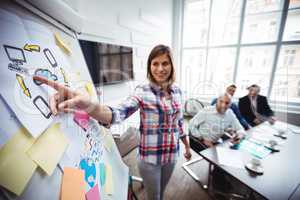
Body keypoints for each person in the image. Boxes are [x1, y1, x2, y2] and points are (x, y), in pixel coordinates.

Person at [33, 44, 191, 200]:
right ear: (150, 66)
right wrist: (88, 104)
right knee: (154, 197)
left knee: (162, 193)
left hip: (172, 155)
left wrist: (187, 146)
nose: (160, 68)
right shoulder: (143, 91)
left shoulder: (177, 91)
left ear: (172, 65)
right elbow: (117, 113)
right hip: (150, 160)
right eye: (155, 63)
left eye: (165, 63)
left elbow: (178, 122)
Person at [189, 93, 246, 194]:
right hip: (198, 140)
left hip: (215, 142)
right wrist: (202, 138)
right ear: (217, 101)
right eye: (221, 101)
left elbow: (240, 129)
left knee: (233, 153)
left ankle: (220, 175)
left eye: (227, 103)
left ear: (230, 104)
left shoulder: (230, 113)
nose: (223, 105)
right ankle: (218, 187)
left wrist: (239, 135)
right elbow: (191, 125)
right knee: (219, 158)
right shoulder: (206, 111)